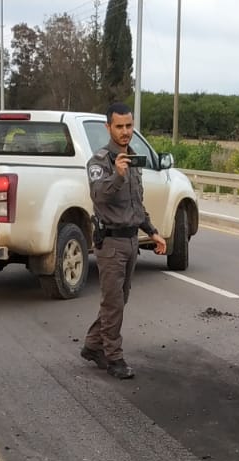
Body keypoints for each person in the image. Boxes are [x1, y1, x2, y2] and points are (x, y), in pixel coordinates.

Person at [81, 102, 167, 380]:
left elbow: (135, 205)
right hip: (111, 243)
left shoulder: (134, 160)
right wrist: (117, 176)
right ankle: (114, 358)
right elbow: (98, 196)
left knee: (119, 299)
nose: (125, 131)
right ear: (108, 128)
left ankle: (93, 344)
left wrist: (152, 231)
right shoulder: (100, 161)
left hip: (131, 241)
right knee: (113, 302)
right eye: (119, 126)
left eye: (129, 126)